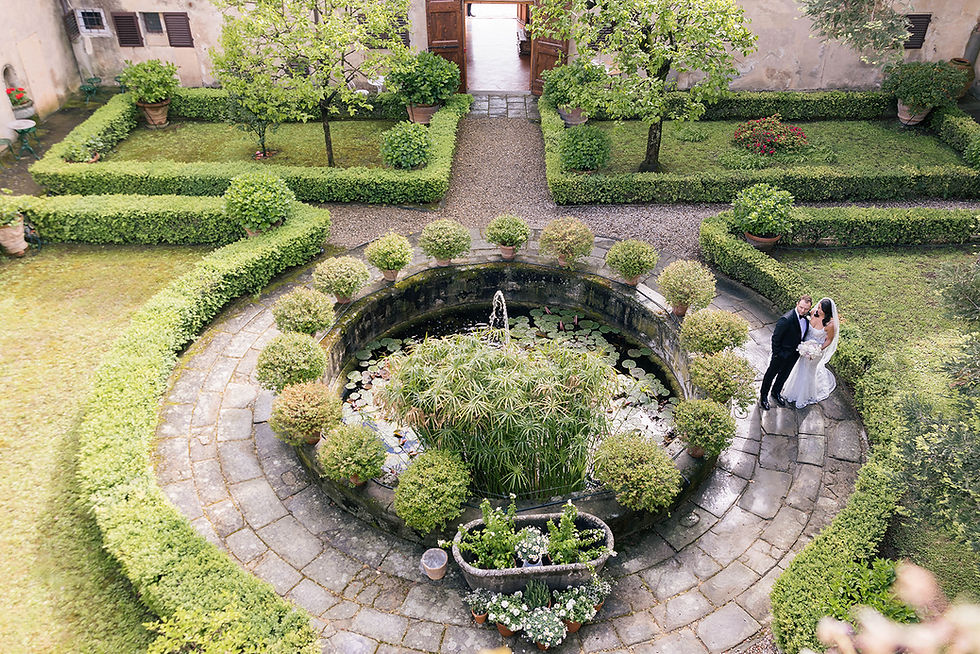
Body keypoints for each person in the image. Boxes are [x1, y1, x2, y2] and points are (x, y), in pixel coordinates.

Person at [781, 297, 839, 409]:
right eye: (818, 306)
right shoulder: (813, 313)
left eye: (820, 308)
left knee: (807, 372)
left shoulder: (830, 325)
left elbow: (829, 340)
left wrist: (818, 350)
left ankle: (804, 395)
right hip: (803, 347)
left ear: (826, 311)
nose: (817, 308)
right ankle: (792, 387)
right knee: (798, 367)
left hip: (815, 352)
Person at [759, 295, 812, 410]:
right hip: (781, 354)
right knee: (770, 375)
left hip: (794, 355)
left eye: (806, 309)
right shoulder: (786, 319)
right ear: (797, 304)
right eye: (801, 307)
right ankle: (763, 397)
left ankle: (776, 392)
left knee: (784, 375)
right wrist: (778, 354)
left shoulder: (807, 320)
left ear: (809, 308)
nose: (803, 310)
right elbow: (775, 338)